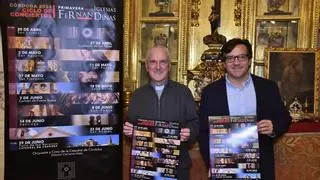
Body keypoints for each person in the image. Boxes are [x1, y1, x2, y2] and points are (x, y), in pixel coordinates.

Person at [198, 38, 292, 180]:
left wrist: (273, 128)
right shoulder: (210, 92)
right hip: (224, 165)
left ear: (249, 60)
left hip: (260, 166)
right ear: (224, 63)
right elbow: (203, 132)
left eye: (241, 57)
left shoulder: (268, 88)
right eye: (230, 58)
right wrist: (211, 163)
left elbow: (284, 117)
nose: (236, 62)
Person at [123, 46, 199, 179]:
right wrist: (128, 132)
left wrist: (190, 132)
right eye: (153, 62)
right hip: (145, 168)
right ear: (146, 66)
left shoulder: (183, 93)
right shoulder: (137, 95)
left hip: (176, 167)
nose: (158, 66)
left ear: (169, 66)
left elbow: (195, 122)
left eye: (163, 62)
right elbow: (130, 125)